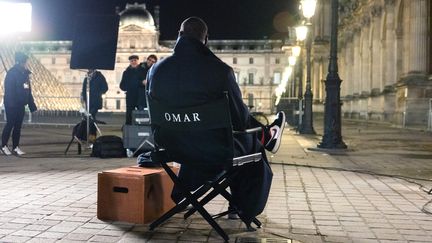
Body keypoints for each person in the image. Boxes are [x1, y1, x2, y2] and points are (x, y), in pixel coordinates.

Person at [147, 17, 285, 223]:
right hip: (214, 149)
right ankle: (241, 206)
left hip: (172, 147)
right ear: (206, 40)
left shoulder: (155, 70)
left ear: (179, 35)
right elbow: (239, 121)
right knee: (252, 146)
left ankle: (266, 135)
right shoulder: (220, 71)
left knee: (225, 140)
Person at [1, 52, 37, 156]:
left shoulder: (25, 74)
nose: (27, 64)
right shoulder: (12, 73)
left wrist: (31, 105)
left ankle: (15, 147)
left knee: (18, 126)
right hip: (12, 104)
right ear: (21, 62)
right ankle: (3, 145)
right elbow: (9, 91)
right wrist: (13, 104)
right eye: (26, 62)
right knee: (10, 124)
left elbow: (28, 91)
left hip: (21, 104)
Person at [120, 55, 150, 125]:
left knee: (141, 114)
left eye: (135, 60)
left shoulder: (143, 70)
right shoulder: (126, 72)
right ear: (130, 62)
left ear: (138, 61)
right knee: (129, 114)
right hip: (131, 96)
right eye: (132, 61)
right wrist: (128, 86)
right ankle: (128, 128)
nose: (133, 62)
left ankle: (142, 128)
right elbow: (122, 85)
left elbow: (145, 81)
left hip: (141, 96)